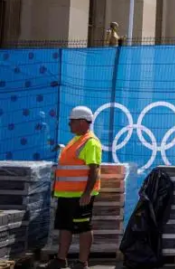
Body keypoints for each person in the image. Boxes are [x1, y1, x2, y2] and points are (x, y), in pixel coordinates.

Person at [44, 106, 102, 269]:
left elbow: (94, 170)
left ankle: (82, 262)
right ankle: (61, 259)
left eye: (72, 121)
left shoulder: (90, 142)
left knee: (83, 227)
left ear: (82, 122)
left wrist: (87, 193)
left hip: (80, 196)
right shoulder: (75, 140)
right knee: (65, 226)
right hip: (66, 195)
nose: (69, 124)